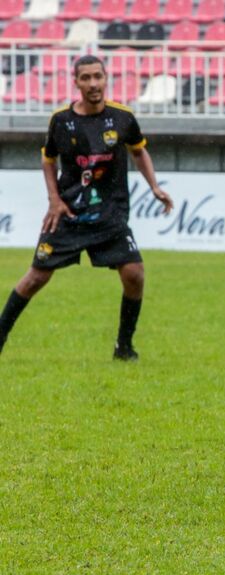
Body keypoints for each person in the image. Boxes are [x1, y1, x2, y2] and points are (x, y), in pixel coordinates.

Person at [0, 55, 173, 361]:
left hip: (110, 212)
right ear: (76, 82)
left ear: (106, 78)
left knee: (134, 274)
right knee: (35, 278)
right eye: (86, 78)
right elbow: (48, 159)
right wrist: (54, 199)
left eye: (98, 76)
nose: (93, 84)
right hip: (69, 212)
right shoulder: (62, 121)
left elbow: (139, 151)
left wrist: (155, 187)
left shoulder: (122, 118)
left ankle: (124, 346)